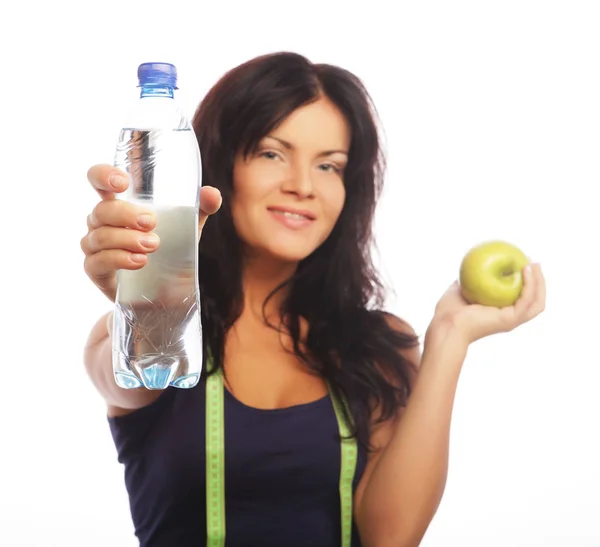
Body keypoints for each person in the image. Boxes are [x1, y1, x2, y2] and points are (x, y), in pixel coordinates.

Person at [80, 51, 546, 547]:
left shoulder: (377, 347)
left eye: (329, 165)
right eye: (271, 153)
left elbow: (392, 537)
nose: (303, 186)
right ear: (216, 165)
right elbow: (130, 372)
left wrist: (450, 338)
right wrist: (146, 297)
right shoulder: (142, 344)